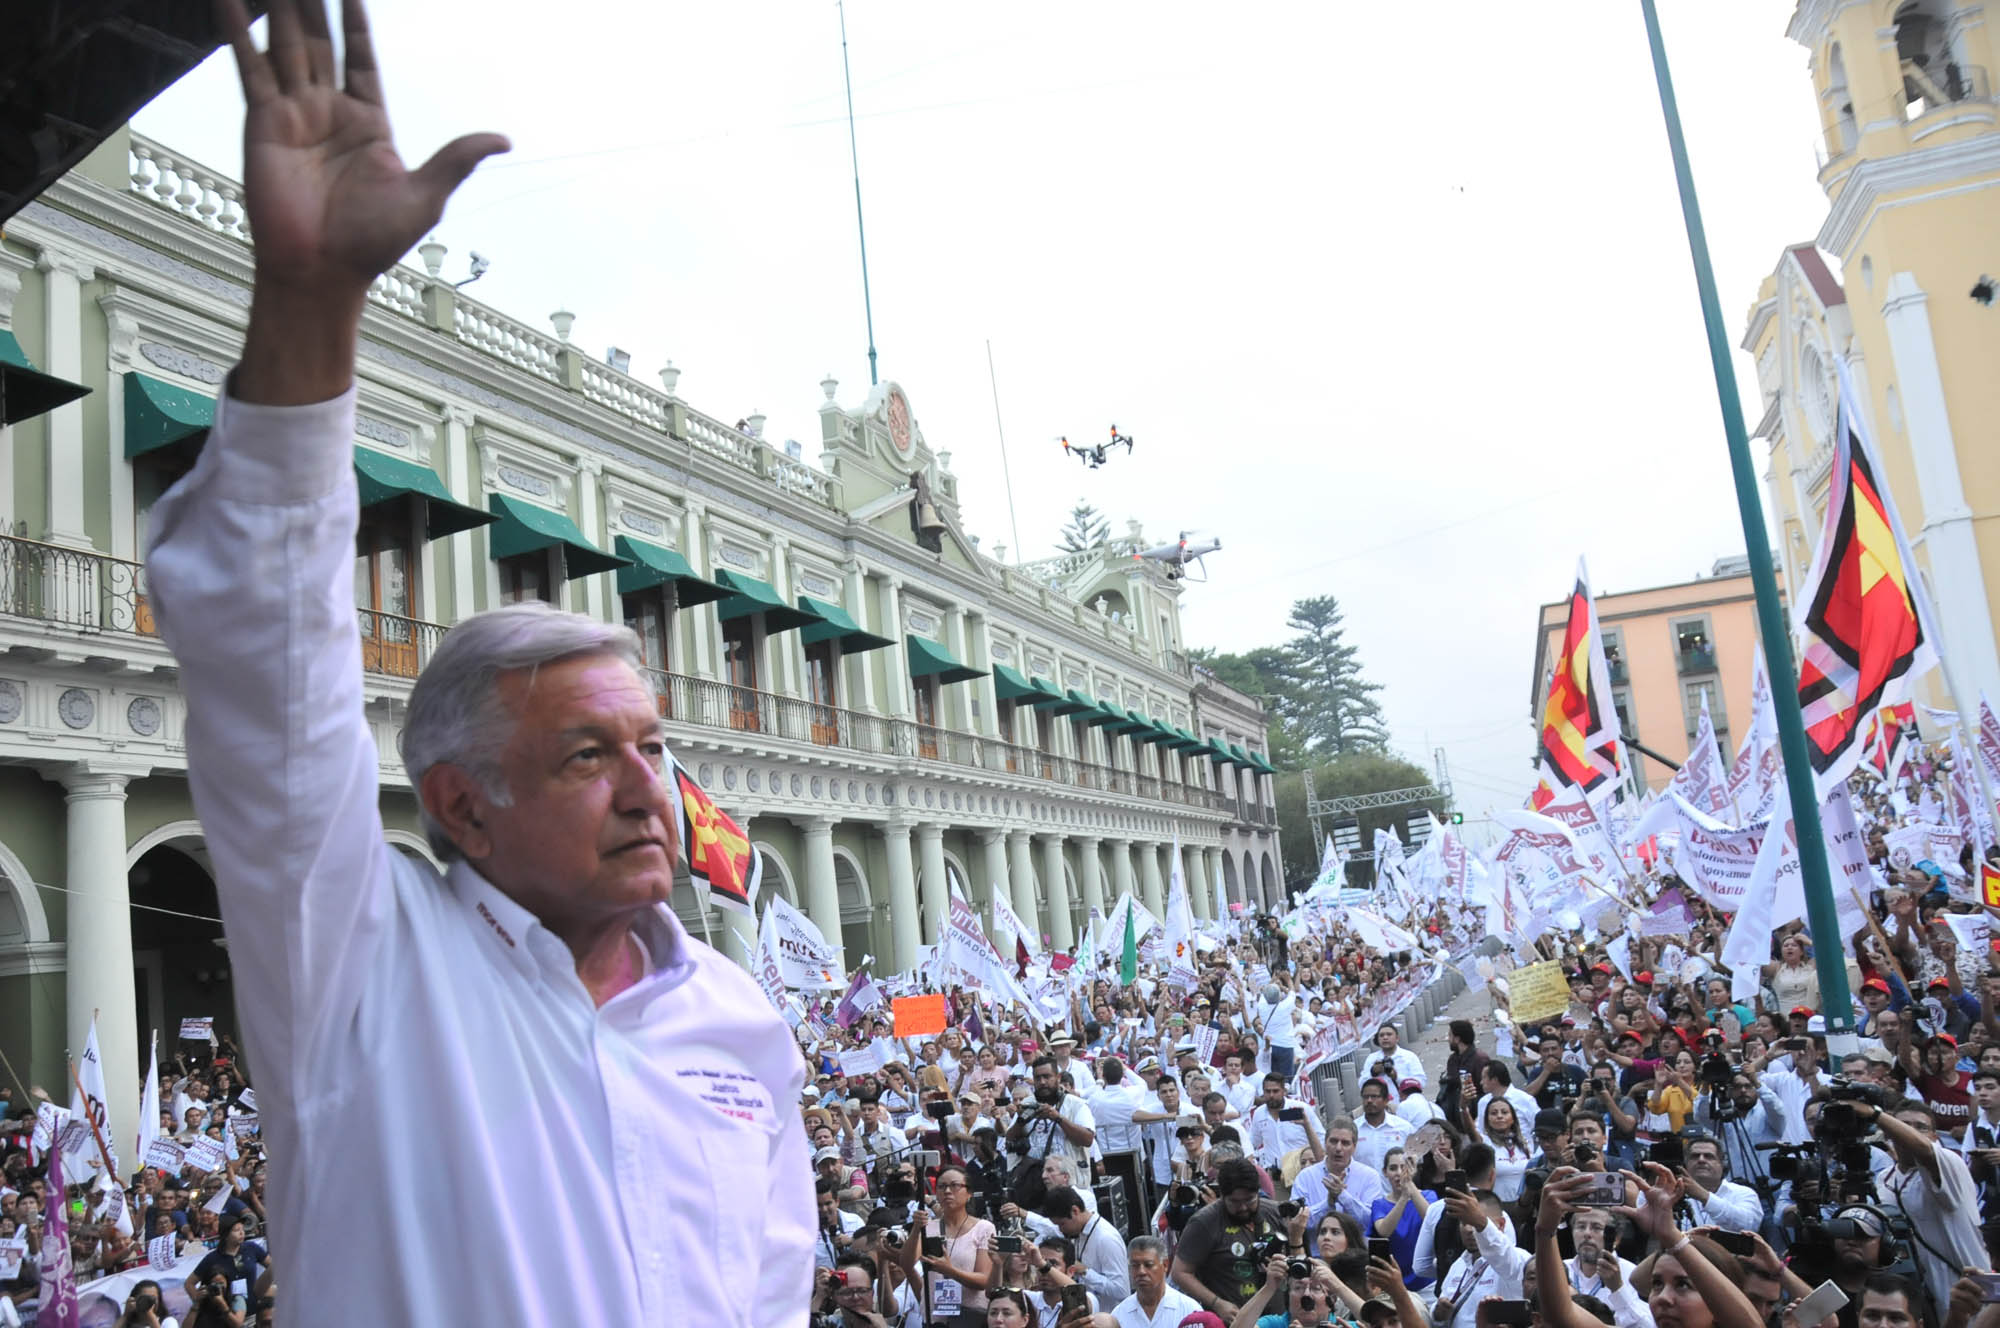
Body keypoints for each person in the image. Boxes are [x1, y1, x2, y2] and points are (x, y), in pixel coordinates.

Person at [163, 5, 812, 1324]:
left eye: (652, 744)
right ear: (462, 803)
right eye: (587, 754)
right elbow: (269, 663)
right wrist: (309, 305)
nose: (649, 790)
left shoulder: (740, 1020)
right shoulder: (362, 970)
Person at [1849, 1099, 1992, 1312]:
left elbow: (1924, 1150)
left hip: (1967, 1285)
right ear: (1890, 1135)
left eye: (1920, 1127)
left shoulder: (1951, 1162)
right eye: (1904, 1125)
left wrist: (1874, 1114)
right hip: (1918, 1291)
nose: (1910, 1131)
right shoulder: (1883, 1179)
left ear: (1934, 1136)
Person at [1171, 1158, 1285, 1320]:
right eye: (1235, 1202)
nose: (1243, 1208)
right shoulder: (1204, 1222)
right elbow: (1180, 1272)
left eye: (1250, 1200)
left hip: (1276, 1319)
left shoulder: (1274, 1212)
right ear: (1222, 1195)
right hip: (1232, 1320)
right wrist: (1217, 1303)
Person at [1041, 1186, 1130, 1306]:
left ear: (1075, 1211)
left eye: (1062, 1224)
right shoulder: (1079, 1232)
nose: (1061, 1230)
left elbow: (1122, 1291)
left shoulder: (1106, 1238)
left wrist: (1085, 1272)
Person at [1086, 1236, 1201, 1328]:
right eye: (1135, 1265)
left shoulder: (1189, 1310)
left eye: (1148, 1265)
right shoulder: (1119, 1314)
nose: (1141, 1272)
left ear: (1165, 1265)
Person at [1365, 1148, 1432, 1287]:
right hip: (1395, 1282)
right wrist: (1403, 1197)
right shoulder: (1379, 1204)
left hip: (1427, 1281)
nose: (1399, 1173)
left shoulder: (1428, 1195)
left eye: (1404, 1167)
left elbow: (1430, 1219)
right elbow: (1384, 1231)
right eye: (1393, 1168)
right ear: (1385, 1172)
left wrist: (1410, 1186)